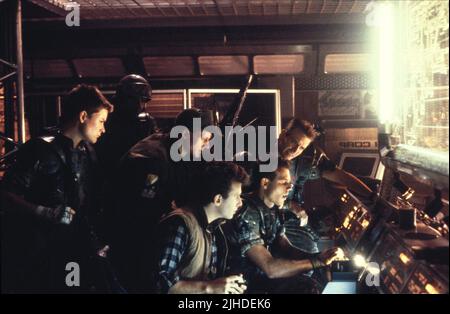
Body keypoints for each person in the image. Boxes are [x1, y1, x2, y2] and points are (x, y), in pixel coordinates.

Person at [1, 84, 113, 293]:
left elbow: (87, 203)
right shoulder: (39, 149)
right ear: (83, 116)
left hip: (71, 250)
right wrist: (43, 212)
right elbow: (6, 194)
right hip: (36, 256)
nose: (103, 129)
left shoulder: (87, 152)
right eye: (101, 121)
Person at [106, 108, 215, 292]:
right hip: (132, 245)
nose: (208, 144)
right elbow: (142, 216)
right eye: (204, 138)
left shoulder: (182, 152)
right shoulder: (151, 159)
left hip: (151, 241)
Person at [228, 159, 341, 294]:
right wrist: (315, 262)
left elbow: (285, 246)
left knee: (311, 283)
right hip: (243, 286)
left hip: (260, 280)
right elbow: (270, 268)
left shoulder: (274, 210)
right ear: (265, 183)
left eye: (290, 184)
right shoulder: (247, 213)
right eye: (283, 183)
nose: (289, 188)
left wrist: (320, 257)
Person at [277, 118, 374, 253]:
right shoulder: (261, 156)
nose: (295, 150)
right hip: (268, 218)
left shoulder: (304, 161)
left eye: (301, 147)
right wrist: (290, 205)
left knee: (313, 245)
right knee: (309, 250)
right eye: (293, 142)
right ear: (283, 134)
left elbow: (340, 175)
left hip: (288, 218)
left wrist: (373, 196)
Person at [155, 161, 249, 294]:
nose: (240, 203)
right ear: (217, 199)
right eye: (236, 196)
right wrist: (210, 288)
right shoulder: (180, 224)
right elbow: (161, 283)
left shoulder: (214, 228)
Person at [95, 74, 156, 179]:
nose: (140, 105)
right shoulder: (104, 118)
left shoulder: (145, 122)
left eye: (143, 101)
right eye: (136, 100)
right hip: (108, 176)